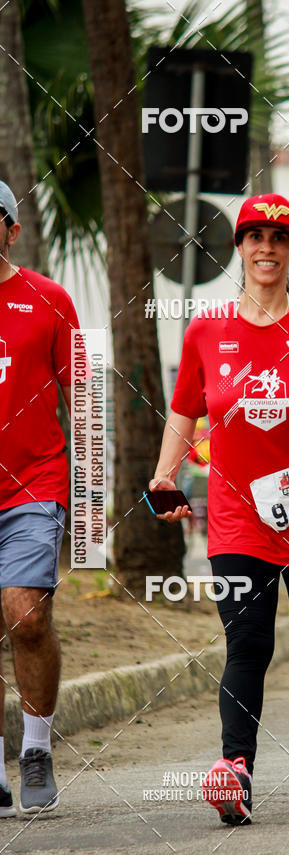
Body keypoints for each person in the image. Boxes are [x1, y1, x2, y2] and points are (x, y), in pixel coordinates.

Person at [150, 193, 289, 825]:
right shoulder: (206, 330)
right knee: (247, 641)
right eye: (254, 236)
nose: (265, 247)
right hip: (237, 517)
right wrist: (164, 475)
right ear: (238, 247)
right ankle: (234, 768)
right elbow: (186, 411)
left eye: (280, 237)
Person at [0, 181, 80, 816]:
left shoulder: (49, 300)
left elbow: (83, 396)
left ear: (11, 229)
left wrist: (93, 505)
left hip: (35, 483)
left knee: (26, 613)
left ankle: (35, 748)